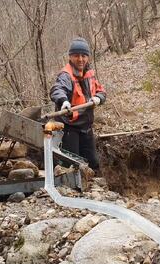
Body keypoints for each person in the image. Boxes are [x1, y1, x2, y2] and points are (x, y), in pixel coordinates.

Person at [50, 37, 106, 170]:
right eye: (76, 56)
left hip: (86, 127)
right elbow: (57, 89)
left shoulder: (89, 73)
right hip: (69, 128)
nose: (80, 59)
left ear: (88, 57)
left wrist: (98, 97)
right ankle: (70, 190)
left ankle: (97, 189)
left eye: (83, 55)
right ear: (70, 57)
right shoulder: (66, 75)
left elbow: (101, 91)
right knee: (71, 165)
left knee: (93, 164)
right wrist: (63, 101)